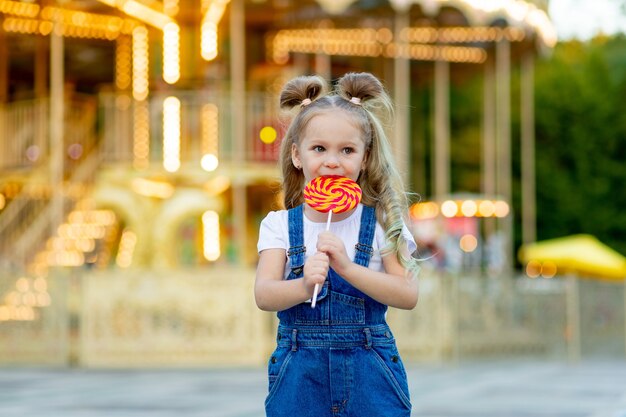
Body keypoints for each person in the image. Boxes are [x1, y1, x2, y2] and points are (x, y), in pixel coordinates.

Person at [255, 72, 420, 417]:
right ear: (298, 156)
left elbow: (407, 293)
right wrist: (303, 284)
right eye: (319, 149)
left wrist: (346, 268)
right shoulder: (280, 225)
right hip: (300, 374)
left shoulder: (381, 223)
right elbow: (264, 294)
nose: (332, 161)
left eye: (347, 150)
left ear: (364, 157)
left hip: (369, 370)